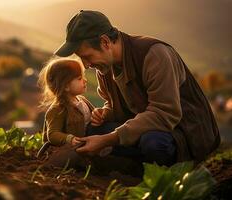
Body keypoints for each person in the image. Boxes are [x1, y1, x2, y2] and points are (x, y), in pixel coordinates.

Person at [54, 10, 220, 166]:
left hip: (181, 132)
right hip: (141, 126)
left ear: (105, 42)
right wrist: (106, 113)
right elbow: (114, 104)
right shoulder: (104, 67)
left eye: (87, 56)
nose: (86, 65)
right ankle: (131, 165)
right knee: (93, 130)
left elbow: (164, 113)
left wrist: (107, 140)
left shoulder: (155, 54)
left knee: (154, 144)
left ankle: (146, 168)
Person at [37, 58, 94, 168]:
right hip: (68, 149)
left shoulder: (82, 100)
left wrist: (98, 115)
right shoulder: (58, 109)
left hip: (85, 143)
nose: (85, 80)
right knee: (74, 158)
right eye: (79, 78)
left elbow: (92, 115)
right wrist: (69, 139)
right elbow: (52, 134)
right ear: (66, 86)